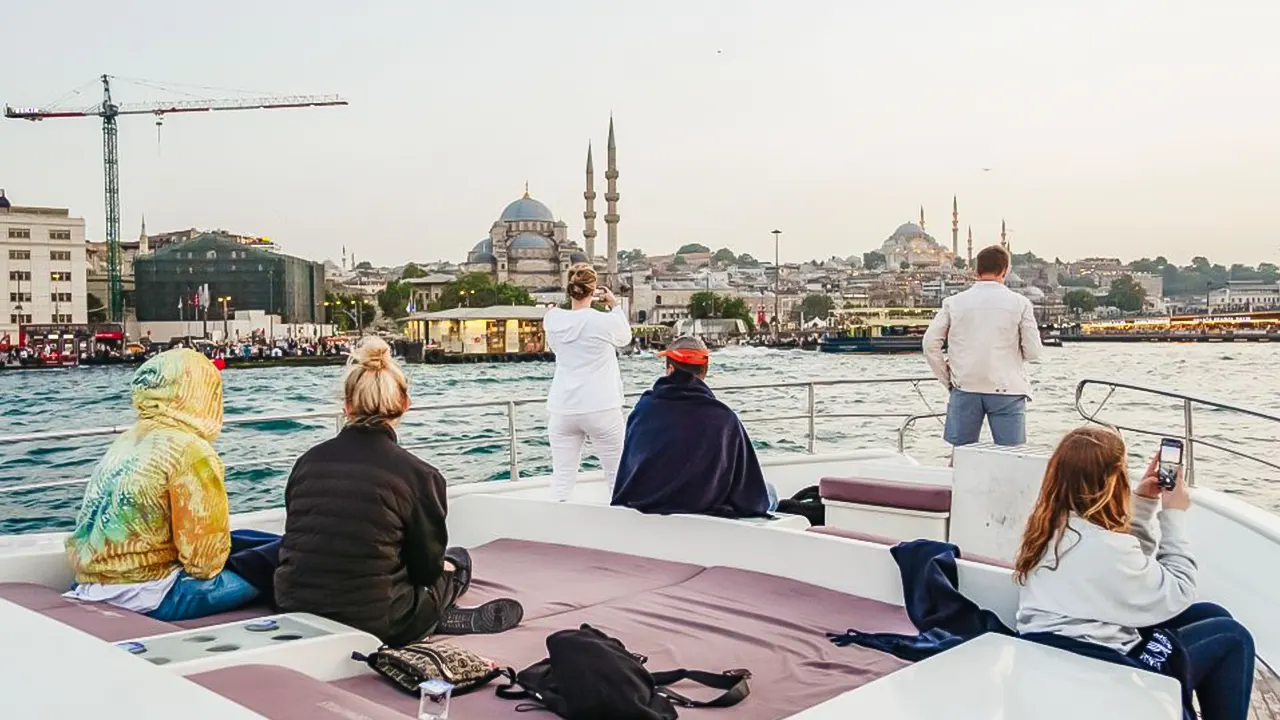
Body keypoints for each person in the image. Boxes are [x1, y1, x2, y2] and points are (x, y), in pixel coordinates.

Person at [274, 337, 522, 645]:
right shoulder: (419, 475)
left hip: (294, 604)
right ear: (405, 403)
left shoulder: (307, 462)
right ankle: (434, 617)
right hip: (379, 620)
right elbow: (425, 570)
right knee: (458, 560)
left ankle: (430, 614)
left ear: (347, 406)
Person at [1015, 426, 1254, 720]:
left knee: (1209, 612)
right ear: (1112, 482)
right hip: (1102, 667)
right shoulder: (1105, 547)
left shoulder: (1048, 529)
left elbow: (1124, 570)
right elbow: (1180, 588)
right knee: (1233, 637)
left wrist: (1143, 504)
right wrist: (1173, 515)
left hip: (1057, 650)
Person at [64, 348, 260, 621]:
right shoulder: (191, 450)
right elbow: (204, 563)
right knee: (277, 569)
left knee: (255, 542)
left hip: (88, 585)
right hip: (150, 594)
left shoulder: (128, 440)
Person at [611, 336, 775, 518]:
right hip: (700, 509)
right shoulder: (724, 419)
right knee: (770, 492)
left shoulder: (643, 410)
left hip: (644, 504)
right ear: (704, 372)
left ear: (670, 369)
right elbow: (749, 492)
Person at [923, 245, 1042, 447]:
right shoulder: (1020, 303)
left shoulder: (954, 302)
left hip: (965, 386)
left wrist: (948, 379)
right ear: (1005, 271)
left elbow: (929, 344)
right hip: (1007, 388)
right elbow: (1033, 352)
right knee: (1011, 458)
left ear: (976, 271)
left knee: (962, 456)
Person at [543, 263, 632, 501]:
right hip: (601, 406)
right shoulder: (602, 321)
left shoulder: (551, 319)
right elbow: (625, 337)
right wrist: (614, 305)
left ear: (568, 289)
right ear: (593, 290)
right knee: (616, 476)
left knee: (562, 479)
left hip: (563, 408)